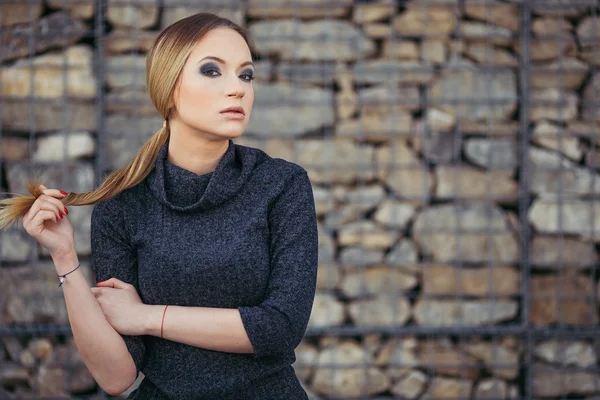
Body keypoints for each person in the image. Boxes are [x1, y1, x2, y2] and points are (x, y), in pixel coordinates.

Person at [0, 13, 318, 400]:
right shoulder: (123, 203)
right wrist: (65, 258)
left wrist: (149, 316)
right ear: (168, 89)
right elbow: (117, 376)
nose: (237, 89)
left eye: (245, 74)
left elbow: (280, 327)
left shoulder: (281, 185)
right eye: (212, 71)